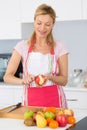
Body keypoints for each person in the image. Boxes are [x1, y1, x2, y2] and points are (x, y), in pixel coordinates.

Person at [4, 4, 68, 108]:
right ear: (34, 22)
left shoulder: (59, 46)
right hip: (30, 104)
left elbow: (64, 80)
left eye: (47, 24)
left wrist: (50, 77)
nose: (42, 28)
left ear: (53, 25)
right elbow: (7, 77)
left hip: (56, 105)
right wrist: (22, 80)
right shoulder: (22, 46)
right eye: (39, 23)